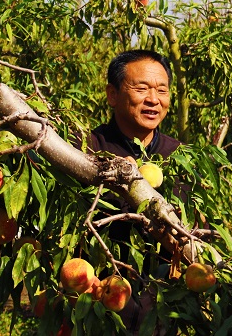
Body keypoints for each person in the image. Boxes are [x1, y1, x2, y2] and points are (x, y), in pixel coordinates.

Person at [75, 49, 181, 335]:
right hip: (95, 310)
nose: (153, 99)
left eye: (162, 90)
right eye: (141, 88)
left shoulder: (179, 157)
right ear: (112, 94)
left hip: (159, 314)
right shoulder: (85, 149)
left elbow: (195, 231)